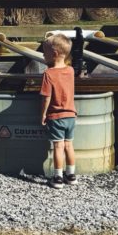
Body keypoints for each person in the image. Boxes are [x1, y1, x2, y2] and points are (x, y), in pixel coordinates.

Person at [40, 32, 77, 190]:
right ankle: (71, 175)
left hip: (56, 116)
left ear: (54, 54)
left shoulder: (48, 74)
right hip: (71, 115)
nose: (42, 54)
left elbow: (46, 97)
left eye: (45, 51)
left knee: (58, 147)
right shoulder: (71, 71)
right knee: (69, 146)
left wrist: (42, 114)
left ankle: (57, 177)